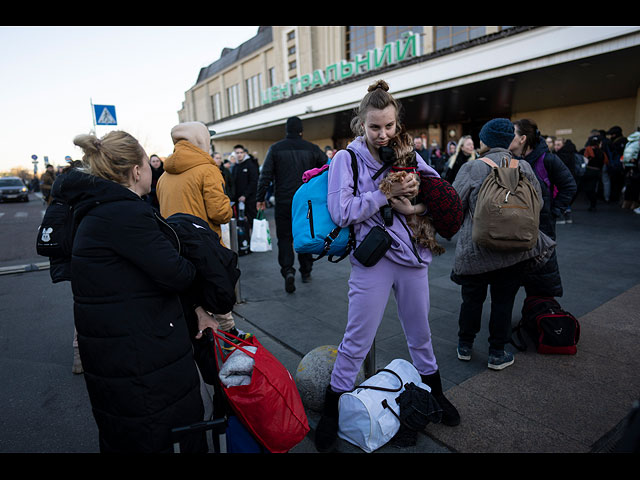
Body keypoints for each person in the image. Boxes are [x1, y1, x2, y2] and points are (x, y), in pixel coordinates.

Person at [314, 80, 460, 453]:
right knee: (357, 340)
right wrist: (383, 194)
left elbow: (436, 190)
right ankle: (332, 411)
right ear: (360, 123)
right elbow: (341, 211)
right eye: (375, 126)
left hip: (413, 258)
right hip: (374, 259)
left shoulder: (408, 151)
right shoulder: (345, 158)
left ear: (398, 123)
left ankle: (437, 394)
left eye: (390, 126)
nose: (383, 134)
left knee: (421, 333)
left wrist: (415, 205)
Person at [54, 130, 212, 453]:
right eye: (148, 161)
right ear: (136, 171)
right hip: (142, 362)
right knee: (164, 436)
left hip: (117, 356)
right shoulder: (125, 214)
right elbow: (177, 272)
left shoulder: (96, 209)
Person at [451, 118, 554, 371]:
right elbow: (537, 204)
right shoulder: (525, 168)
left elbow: (454, 206)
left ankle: (465, 345)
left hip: (477, 249)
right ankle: (497, 352)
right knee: (503, 301)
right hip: (514, 251)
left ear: (483, 141)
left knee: (472, 300)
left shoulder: (472, 168)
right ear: (508, 140)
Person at [156, 122, 249, 346]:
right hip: (205, 245)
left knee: (192, 298)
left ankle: (210, 335)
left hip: (175, 248)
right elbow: (220, 213)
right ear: (200, 141)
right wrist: (228, 206)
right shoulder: (207, 170)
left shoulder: (163, 176)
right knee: (216, 293)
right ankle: (228, 340)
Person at [256, 116, 327, 293]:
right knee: (305, 234)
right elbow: (327, 168)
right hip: (305, 202)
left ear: (286, 131)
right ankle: (306, 271)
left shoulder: (275, 149)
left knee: (285, 238)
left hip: (284, 201)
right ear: (301, 131)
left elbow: (265, 176)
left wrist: (260, 198)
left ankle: (288, 270)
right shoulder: (312, 148)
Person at [510, 118, 576, 299]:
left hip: (542, 232)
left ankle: (538, 317)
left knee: (540, 283)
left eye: (512, 133)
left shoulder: (547, 159)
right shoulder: (510, 160)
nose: (508, 137)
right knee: (509, 286)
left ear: (522, 138)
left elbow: (569, 185)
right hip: (514, 232)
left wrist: (554, 212)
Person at [232, 144, 260, 228]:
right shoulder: (235, 167)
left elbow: (254, 182)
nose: (239, 154)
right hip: (238, 200)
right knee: (241, 223)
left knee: (252, 222)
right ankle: (245, 240)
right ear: (234, 154)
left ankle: (255, 240)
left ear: (244, 153)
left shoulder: (250, 165)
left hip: (250, 199)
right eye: (237, 153)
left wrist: (245, 195)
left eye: (241, 152)